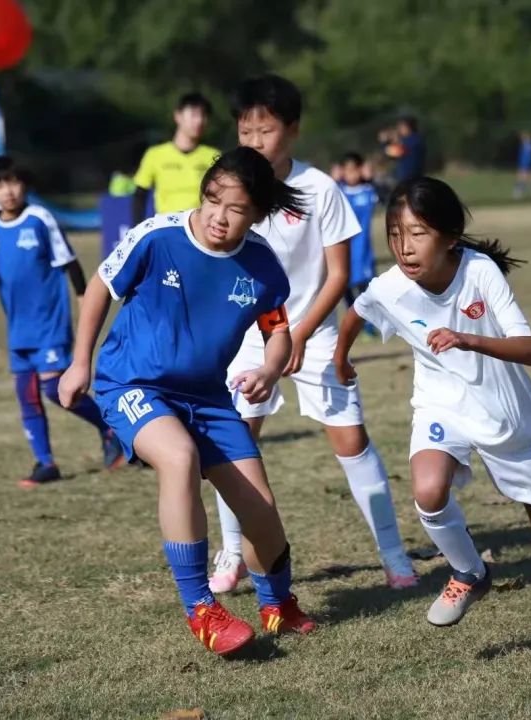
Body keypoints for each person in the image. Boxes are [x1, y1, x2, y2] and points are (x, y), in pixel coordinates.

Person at [332, 177, 531, 644]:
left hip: (504, 411)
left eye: (417, 234)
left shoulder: (479, 273)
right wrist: (341, 358)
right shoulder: (391, 286)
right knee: (428, 491)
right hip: (441, 401)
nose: (404, 247)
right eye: (395, 234)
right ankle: (470, 572)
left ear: (449, 237)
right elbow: (357, 311)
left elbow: (528, 349)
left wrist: (467, 338)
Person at [58, 147, 316, 656]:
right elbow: (98, 289)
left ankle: (277, 605)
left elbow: (278, 331)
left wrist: (268, 368)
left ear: (258, 213)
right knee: (179, 457)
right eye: (213, 200)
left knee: (259, 509)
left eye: (236, 208)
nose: (220, 216)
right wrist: (80, 362)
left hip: (209, 398)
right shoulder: (158, 236)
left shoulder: (262, 265)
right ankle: (202, 609)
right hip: (133, 384)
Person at [210, 74, 416, 593]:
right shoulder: (228, 187)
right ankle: (232, 555)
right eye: (246, 130)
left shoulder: (319, 188)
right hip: (244, 337)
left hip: (314, 333)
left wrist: (299, 335)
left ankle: (394, 557)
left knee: (351, 440)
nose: (255, 141)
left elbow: (340, 274)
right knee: (235, 445)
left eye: (267, 130)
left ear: (293, 131)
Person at [0, 155, 123, 488]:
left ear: (24, 184)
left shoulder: (39, 219)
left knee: (55, 389)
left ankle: (111, 427)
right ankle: (46, 463)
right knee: (26, 394)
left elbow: (69, 262)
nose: (7, 191)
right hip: (18, 331)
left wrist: (85, 302)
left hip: (50, 325)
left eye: (12, 182)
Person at [132, 92, 220, 225]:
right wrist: (138, 227)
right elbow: (140, 195)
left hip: (201, 228)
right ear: (178, 116)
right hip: (166, 226)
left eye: (204, 115)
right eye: (194, 115)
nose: (199, 120)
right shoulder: (155, 154)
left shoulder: (214, 156)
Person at [337, 151, 378, 320]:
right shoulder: (338, 191)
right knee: (343, 286)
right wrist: (336, 180)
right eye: (347, 170)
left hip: (363, 250)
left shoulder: (368, 191)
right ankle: (352, 319)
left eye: (355, 169)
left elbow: (387, 196)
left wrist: (371, 179)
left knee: (365, 288)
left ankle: (369, 324)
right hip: (343, 249)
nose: (351, 174)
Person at [384, 115, 426, 184]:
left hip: (410, 177)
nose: (399, 129)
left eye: (401, 127)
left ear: (407, 127)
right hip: (413, 176)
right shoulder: (416, 138)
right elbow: (392, 157)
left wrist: (385, 143)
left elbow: (392, 152)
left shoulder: (411, 140)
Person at [514, 131, 531, 199]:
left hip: (527, 165)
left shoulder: (530, 146)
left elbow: (528, 157)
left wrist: (526, 166)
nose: (522, 138)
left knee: (525, 178)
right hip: (523, 164)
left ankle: (520, 191)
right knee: (524, 178)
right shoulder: (524, 145)